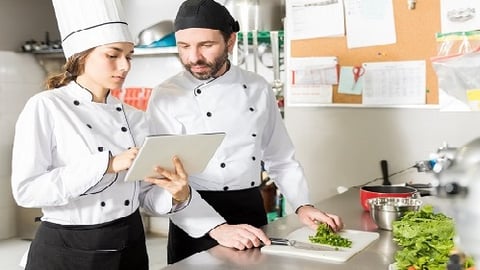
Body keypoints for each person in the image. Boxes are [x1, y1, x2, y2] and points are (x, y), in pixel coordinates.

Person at [146, 0, 345, 264]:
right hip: (193, 213)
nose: (193, 57)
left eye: (206, 45)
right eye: (184, 46)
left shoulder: (257, 87)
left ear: (230, 42)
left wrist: (302, 205)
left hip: (250, 208)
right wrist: (215, 227)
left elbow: (281, 157)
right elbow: (163, 179)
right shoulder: (166, 96)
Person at [10, 0, 191, 269]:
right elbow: (26, 191)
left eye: (129, 56)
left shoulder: (136, 117)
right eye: (113, 55)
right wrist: (106, 164)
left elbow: (143, 195)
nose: (125, 66)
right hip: (68, 249)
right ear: (82, 55)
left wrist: (177, 194)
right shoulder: (46, 106)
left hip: (129, 244)